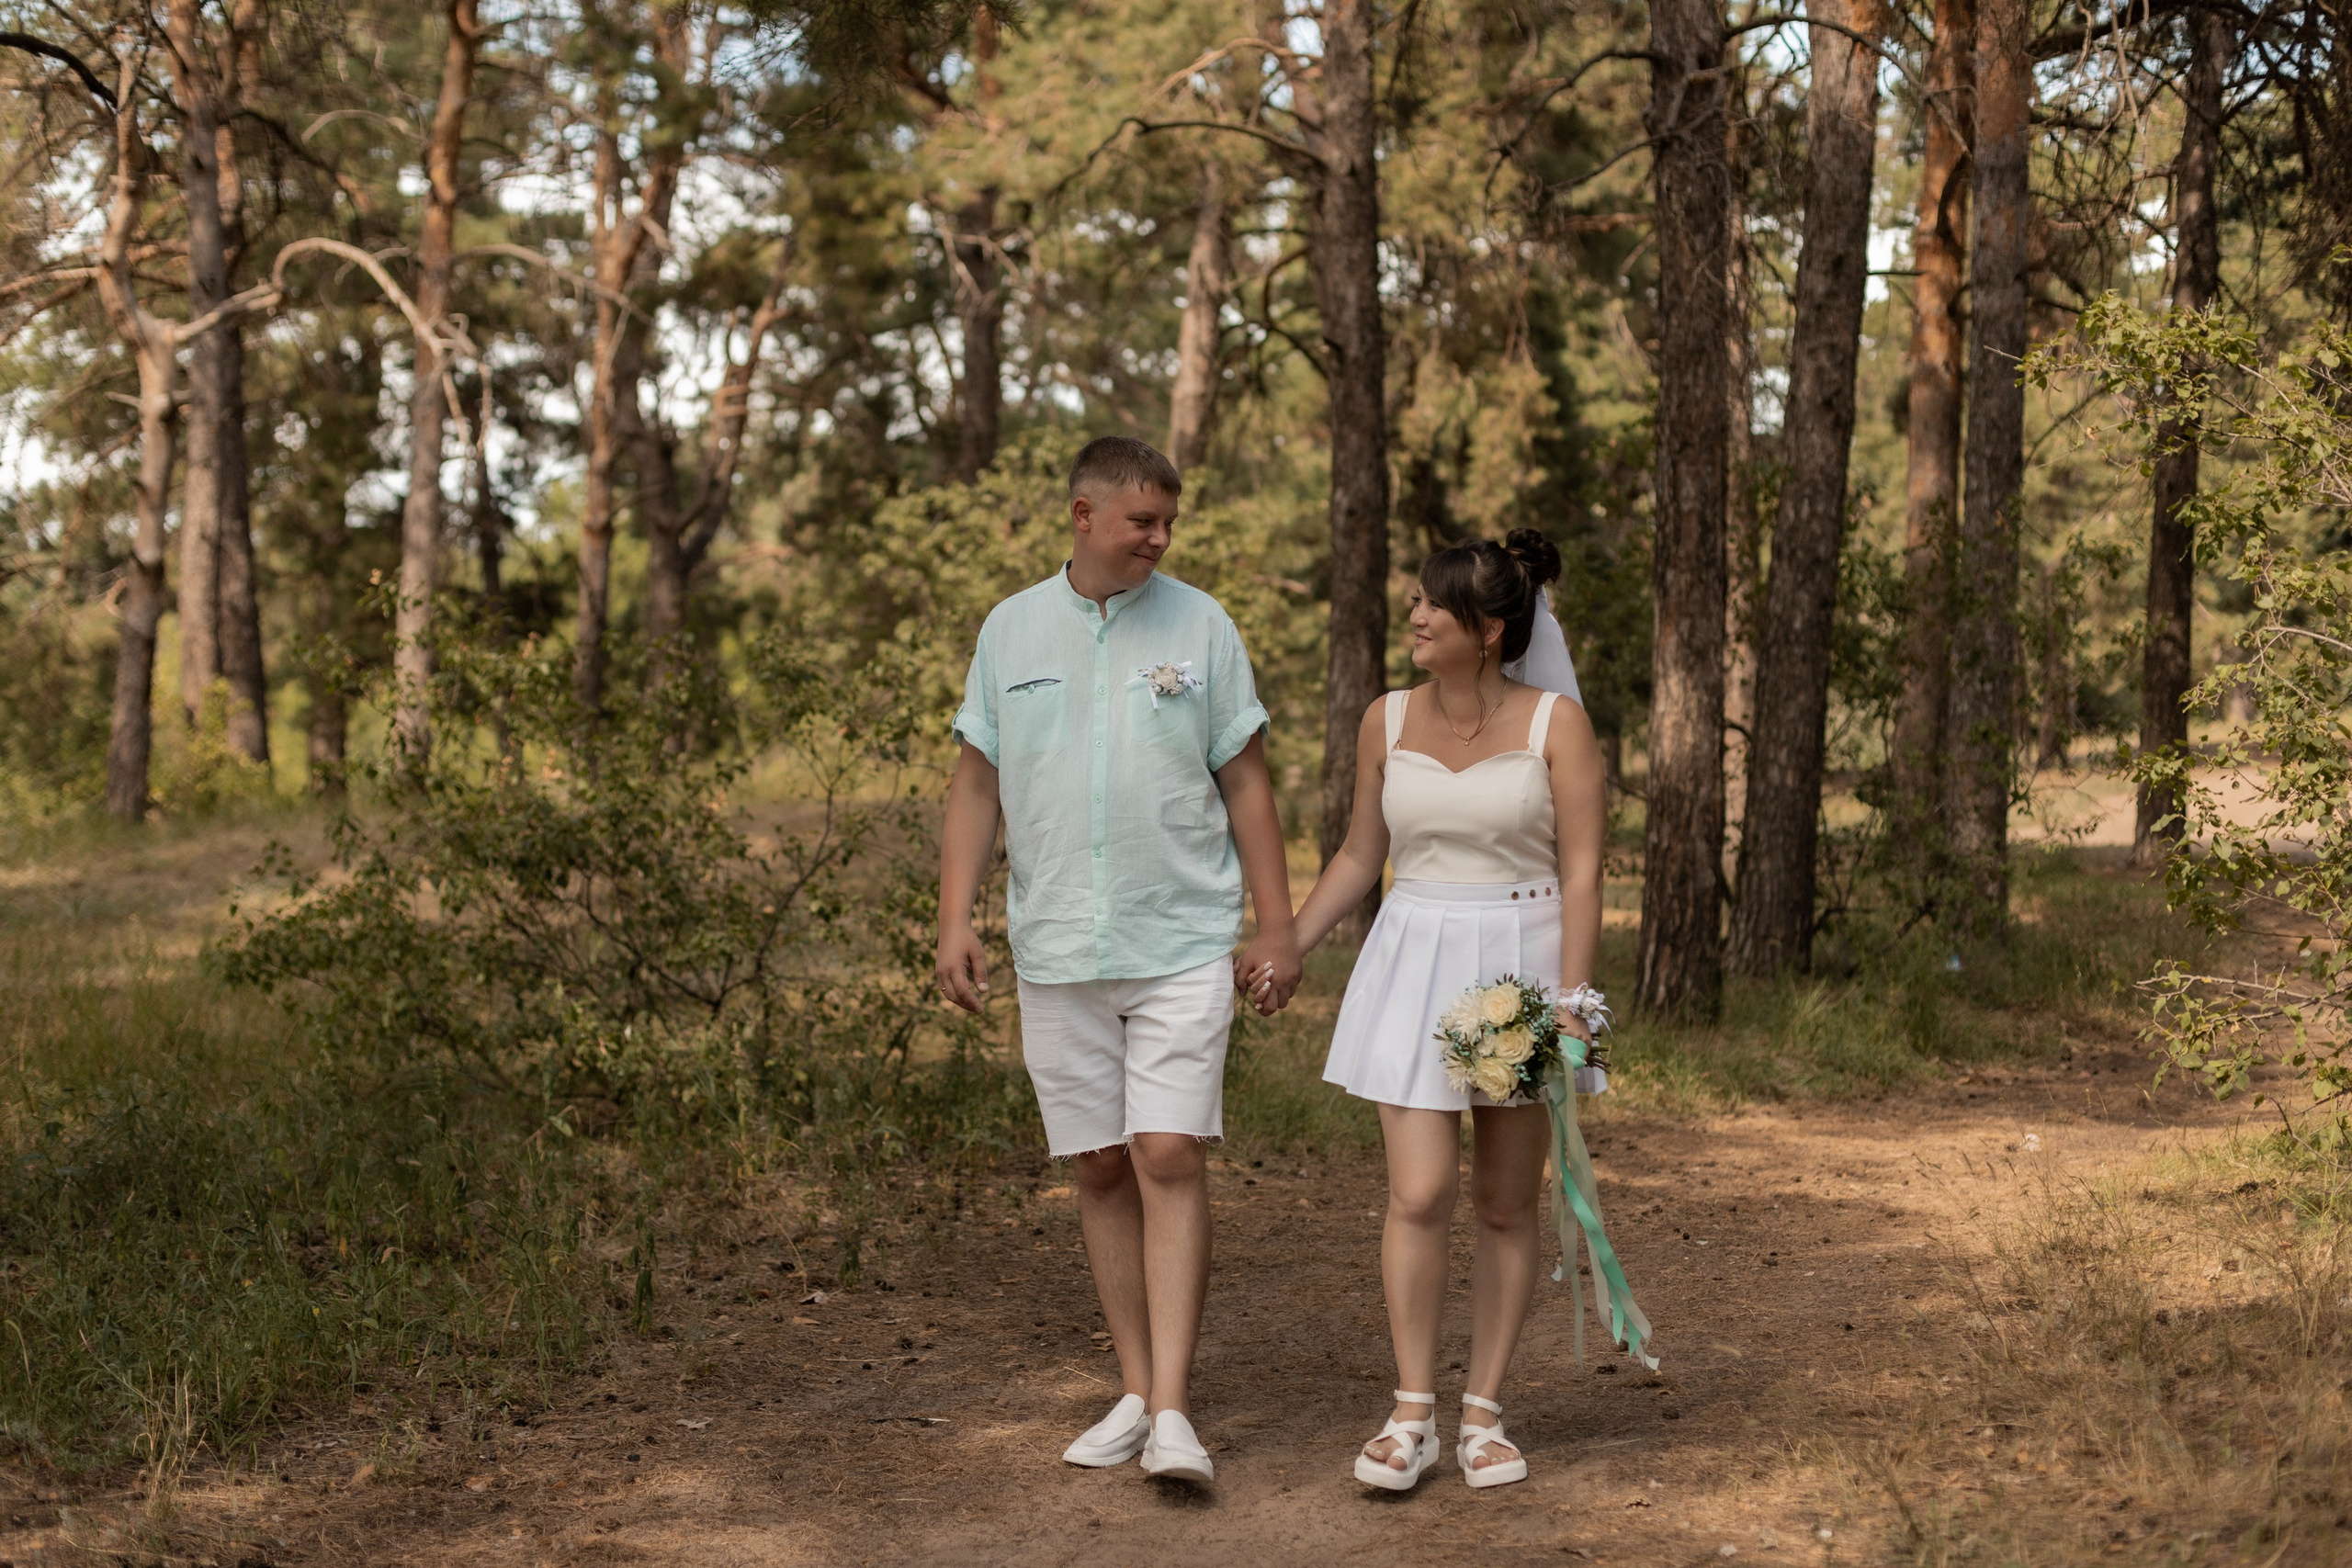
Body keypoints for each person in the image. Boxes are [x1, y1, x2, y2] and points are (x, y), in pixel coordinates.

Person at [935, 435, 1301, 1484]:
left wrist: (1274, 927)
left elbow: (1248, 785)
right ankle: (1136, 1392)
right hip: (1054, 947)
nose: (1160, 538)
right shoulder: (1010, 629)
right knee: (1098, 1164)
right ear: (1083, 515)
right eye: (1142, 520)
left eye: (1167, 523)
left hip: (1179, 936)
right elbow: (975, 785)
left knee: (1168, 1153)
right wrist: (953, 918)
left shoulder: (1201, 623)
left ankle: (1178, 1411)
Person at [1292, 529, 1625, 1492]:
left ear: (1487, 631)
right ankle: (1411, 1414)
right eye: (1415, 600)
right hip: (1414, 958)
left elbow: (1581, 869)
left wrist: (1570, 1003)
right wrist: (1288, 945)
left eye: (1434, 604)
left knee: (1503, 1203)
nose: (1415, 613)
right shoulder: (1383, 719)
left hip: (1519, 964)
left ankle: (1482, 1414)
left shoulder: (1555, 724)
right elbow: (1361, 855)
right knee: (1420, 1192)